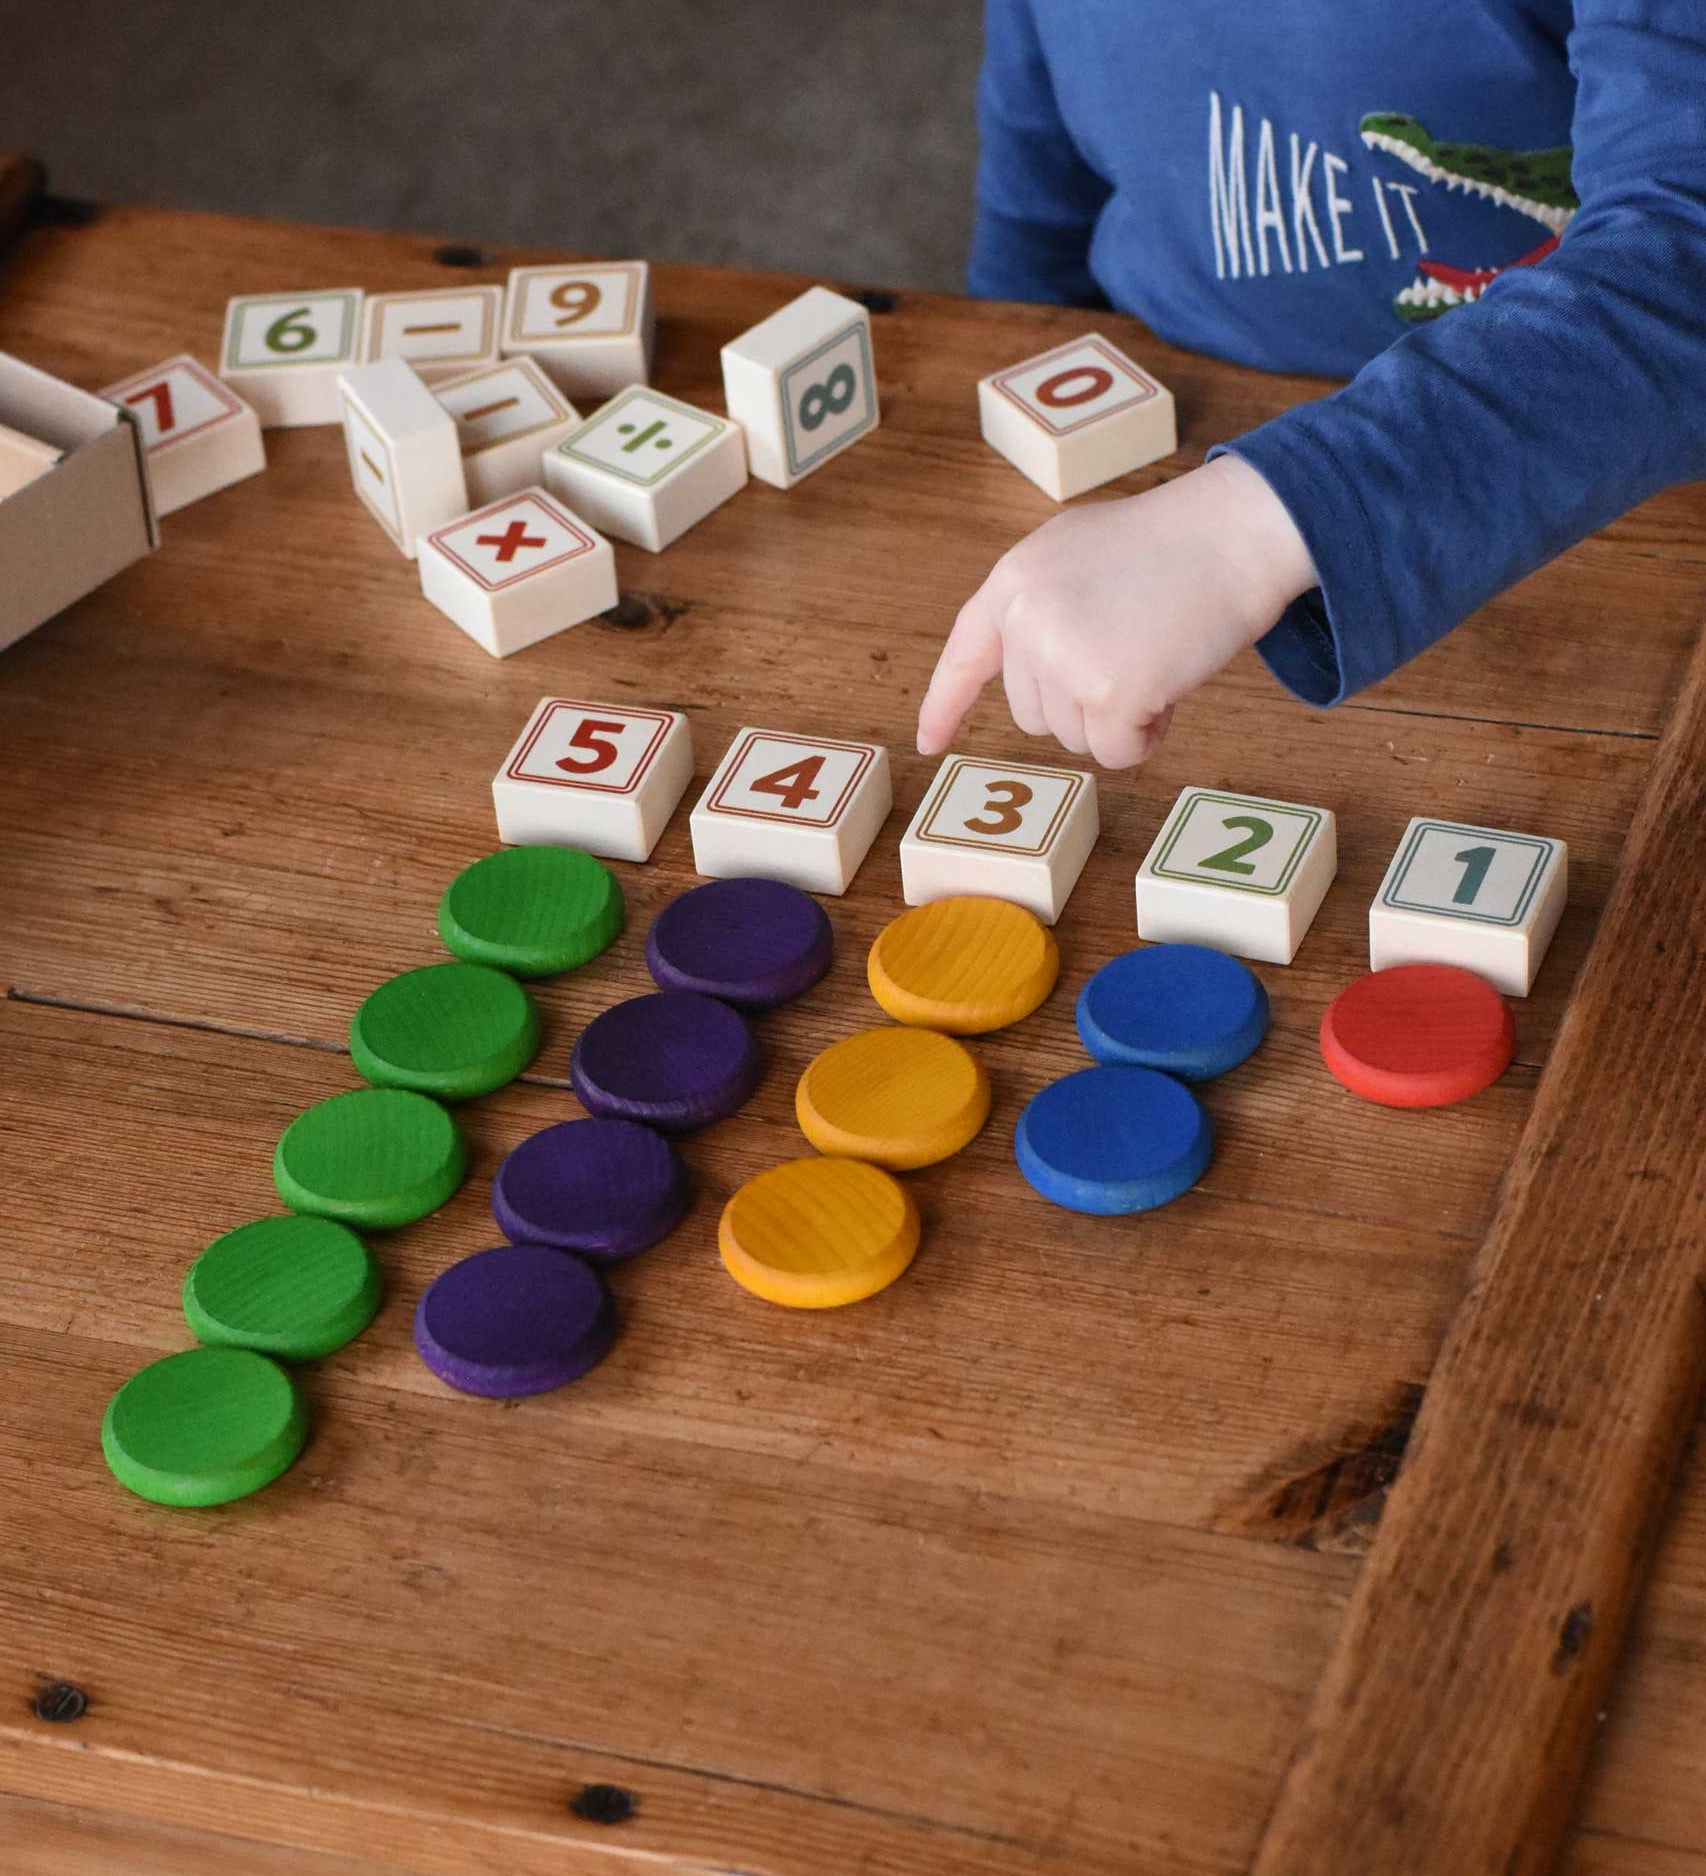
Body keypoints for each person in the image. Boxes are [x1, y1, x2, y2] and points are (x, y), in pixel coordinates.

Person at [917, 0, 1706, 770]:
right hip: (1148, 500)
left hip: (1578, 506)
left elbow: (1682, 262)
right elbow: (1035, 203)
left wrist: (1240, 532)